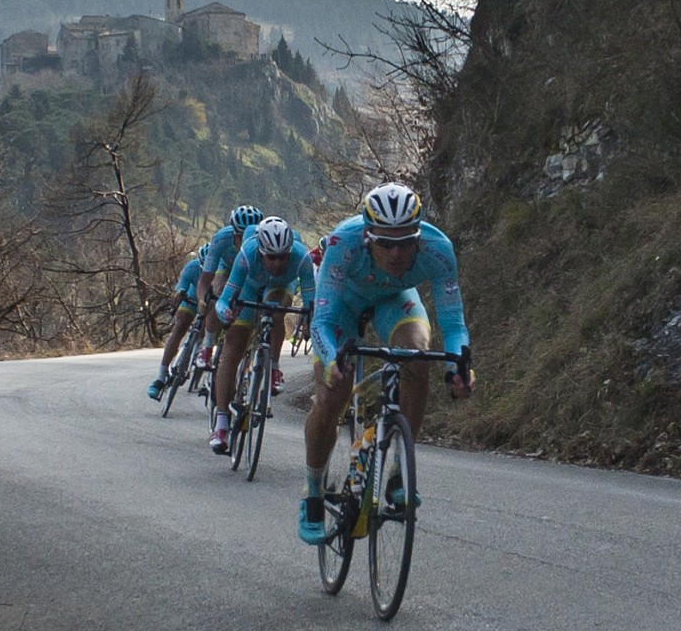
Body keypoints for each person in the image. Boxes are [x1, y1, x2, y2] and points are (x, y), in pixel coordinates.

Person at [298, 182, 473, 544]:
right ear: (367, 236)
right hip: (343, 306)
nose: (396, 253)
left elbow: (454, 324)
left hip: (394, 300)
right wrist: (330, 362)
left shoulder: (438, 249)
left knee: (418, 354)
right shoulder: (343, 242)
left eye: (405, 242)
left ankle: (398, 468)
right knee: (332, 394)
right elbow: (323, 320)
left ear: (418, 237)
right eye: (385, 243)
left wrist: (458, 367)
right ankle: (313, 490)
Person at [208, 216, 316, 453]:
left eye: (283, 257)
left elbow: (312, 304)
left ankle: (274, 366)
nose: (277, 263)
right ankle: (222, 422)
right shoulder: (247, 254)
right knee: (232, 347)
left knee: (275, 308)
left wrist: (309, 322)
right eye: (271, 257)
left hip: (280, 287)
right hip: (249, 285)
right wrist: (226, 312)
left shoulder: (301, 258)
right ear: (260, 252)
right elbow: (224, 299)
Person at [193, 204, 263, 371]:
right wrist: (202, 299)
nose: (245, 240)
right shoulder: (221, 239)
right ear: (233, 233)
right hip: (226, 268)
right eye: (241, 236)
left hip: (249, 272)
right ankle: (207, 348)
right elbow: (205, 279)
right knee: (217, 293)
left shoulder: (260, 244)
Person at [147, 251, 208, 399]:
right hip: (191, 298)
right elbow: (180, 290)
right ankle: (161, 377)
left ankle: (199, 346)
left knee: (206, 327)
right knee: (179, 327)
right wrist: (177, 299)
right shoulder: (192, 267)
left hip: (209, 302)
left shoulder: (222, 269)